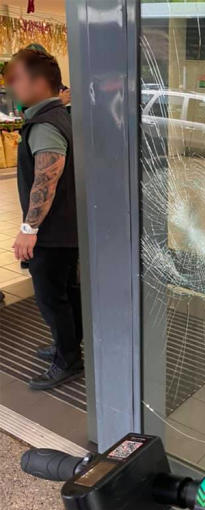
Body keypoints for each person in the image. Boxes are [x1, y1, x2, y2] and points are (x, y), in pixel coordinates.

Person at [6, 48, 83, 390]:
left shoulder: (45, 124)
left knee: (51, 297)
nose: (12, 86)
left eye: (17, 78)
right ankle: (67, 347)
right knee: (66, 293)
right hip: (66, 227)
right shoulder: (60, 115)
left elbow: (46, 179)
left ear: (38, 82)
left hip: (52, 232)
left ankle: (67, 360)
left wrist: (29, 229)